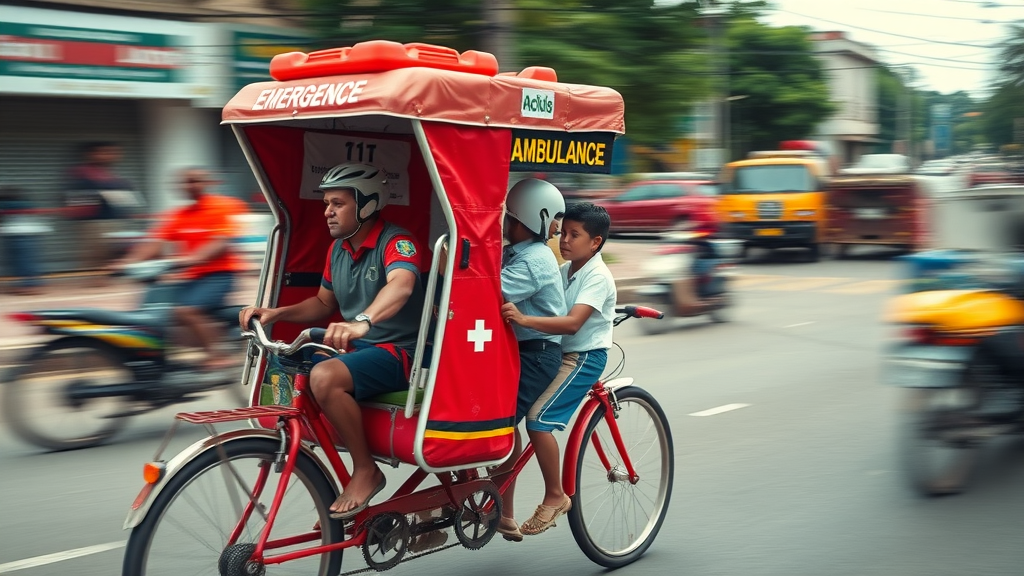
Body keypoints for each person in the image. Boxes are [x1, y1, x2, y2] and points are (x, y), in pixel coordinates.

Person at [238, 162, 425, 519]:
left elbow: (401, 284)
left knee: (324, 377)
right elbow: (324, 303)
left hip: (399, 352)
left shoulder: (396, 241)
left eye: (337, 203)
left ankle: (365, 469)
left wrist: (362, 322)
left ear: (367, 204)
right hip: (359, 352)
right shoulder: (337, 249)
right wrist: (277, 313)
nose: (327, 212)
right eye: (327, 203)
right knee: (296, 373)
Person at [500, 202, 615, 536]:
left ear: (595, 242)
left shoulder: (597, 276)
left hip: (582, 358)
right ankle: (502, 510)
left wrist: (523, 319)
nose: (564, 240)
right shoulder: (565, 270)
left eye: (574, 235)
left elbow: (573, 323)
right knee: (508, 419)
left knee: (538, 420)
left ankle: (555, 496)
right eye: (562, 232)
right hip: (552, 352)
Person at [113, 168, 247, 373]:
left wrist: (194, 258)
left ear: (207, 183)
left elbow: (221, 242)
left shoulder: (223, 206)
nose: (190, 186)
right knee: (154, 310)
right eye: (185, 182)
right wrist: (126, 262)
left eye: (195, 181)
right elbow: (155, 243)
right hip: (191, 276)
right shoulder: (177, 215)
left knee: (187, 310)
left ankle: (217, 356)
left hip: (219, 275)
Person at [493, 178, 567, 542]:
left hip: (537, 355)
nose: (504, 222)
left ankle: (502, 510)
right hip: (514, 350)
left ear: (525, 215)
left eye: (508, 215)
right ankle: (501, 513)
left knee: (501, 425)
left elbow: (493, 291)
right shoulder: (515, 251)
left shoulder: (535, 259)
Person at [66, 142, 139, 275]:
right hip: (95, 223)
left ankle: (105, 281)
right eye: (106, 152)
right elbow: (77, 199)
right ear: (92, 154)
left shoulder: (108, 174)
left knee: (112, 255)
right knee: (96, 254)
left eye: (113, 152)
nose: (113, 156)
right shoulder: (84, 173)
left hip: (113, 221)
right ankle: (95, 282)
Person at [0, 186, 50, 295]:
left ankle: (28, 285)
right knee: (30, 260)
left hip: (16, 235)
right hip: (32, 234)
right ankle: (33, 283)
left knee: (21, 261)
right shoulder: (27, 203)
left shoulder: (5, 204)